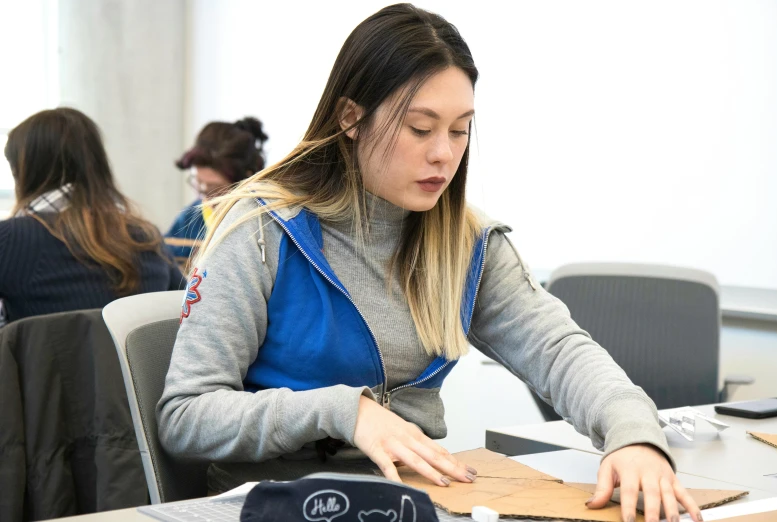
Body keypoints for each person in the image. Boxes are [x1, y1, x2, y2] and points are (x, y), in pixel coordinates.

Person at [157, 5, 701, 522]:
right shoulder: (258, 231)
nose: (444, 153)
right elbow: (186, 416)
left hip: (408, 503)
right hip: (271, 506)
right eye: (421, 128)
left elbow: (560, 351)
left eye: (460, 129)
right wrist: (343, 410)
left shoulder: (467, 243)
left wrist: (633, 436)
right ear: (351, 118)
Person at [0, 108, 184, 324]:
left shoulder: (10, 239)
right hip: (137, 359)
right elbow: (187, 312)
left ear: (21, 172)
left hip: (41, 358)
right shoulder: (146, 237)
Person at [165, 117, 268, 269]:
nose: (204, 194)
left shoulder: (263, 221)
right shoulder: (190, 218)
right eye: (198, 182)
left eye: (215, 188)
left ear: (245, 179)